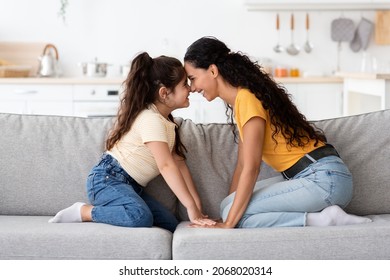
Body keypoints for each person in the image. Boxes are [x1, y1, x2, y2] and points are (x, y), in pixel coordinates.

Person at [183, 36, 372, 229]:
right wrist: (227, 214)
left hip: (324, 181)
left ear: (213, 70)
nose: (192, 88)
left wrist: (230, 222)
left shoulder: (247, 99)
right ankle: (325, 216)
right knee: (227, 206)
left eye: (192, 79)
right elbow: (242, 165)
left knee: (236, 216)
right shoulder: (242, 100)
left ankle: (325, 219)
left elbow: (251, 167)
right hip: (317, 178)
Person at [49, 52, 215, 232]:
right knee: (139, 216)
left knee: (170, 224)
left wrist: (197, 206)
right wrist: (190, 207)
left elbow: (178, 162)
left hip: (131, 186)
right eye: (184, 85)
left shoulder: (167, 122)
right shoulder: (150, 119)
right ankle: (84, 212)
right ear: (164, 93)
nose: (190, 89)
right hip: (107, 180)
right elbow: (166, 166)